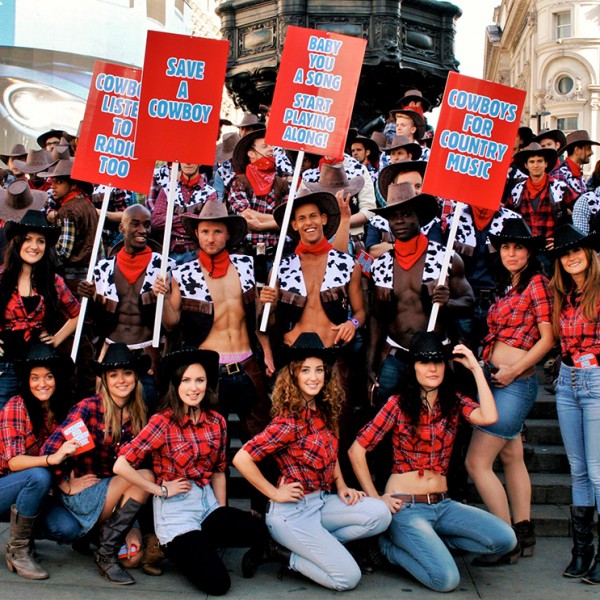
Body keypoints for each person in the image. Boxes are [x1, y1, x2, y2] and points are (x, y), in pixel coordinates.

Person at [348, 332, 517, 593]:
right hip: (407, 507)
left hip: (444, 505)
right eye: (424, 362)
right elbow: (356, 450)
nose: (432, 368)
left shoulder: (453, 402)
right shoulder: (397, 404)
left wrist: (475, 368)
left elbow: (489, 417)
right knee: (446, 580)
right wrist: (376, 499)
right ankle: (387, 549)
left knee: (506, 539)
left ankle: (435, 545)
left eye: (438, 361)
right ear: (413, 367)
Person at [233, 333, 391, 591]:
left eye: (319, 370)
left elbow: (332, 451)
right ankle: (281, 553)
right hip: (291, 514)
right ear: (294, 375)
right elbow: (242, 458)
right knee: (347, 578)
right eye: (305, 370)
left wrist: (341, 486)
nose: (313, 377)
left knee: (380, 514)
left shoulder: (325, 411)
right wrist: (274, 492)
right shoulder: (288, 421)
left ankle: (321, 546)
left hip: (321, 503)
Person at [113, 348, 271, 596]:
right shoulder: (163, 422)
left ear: (208, 384)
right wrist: (160, 490)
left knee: (260, 529)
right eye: (186, 380)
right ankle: (168, 546)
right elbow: (121, 465)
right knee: (218, 584)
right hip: (176, 514)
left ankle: (202, 543)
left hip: (207, 505)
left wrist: (221, 512)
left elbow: (218, 471)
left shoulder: (216, 421)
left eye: (200, 380)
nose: (193, 388)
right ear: (175, 385)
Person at [465, 219, 555, 563]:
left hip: (515, 383)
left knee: (476, 462)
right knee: (511, 456)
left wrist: (514, 370)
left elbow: (548, 338)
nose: (511, 253)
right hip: (496, 381)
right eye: (505, 247)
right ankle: (523, 530)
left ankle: (505, 542)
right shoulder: (508, 286)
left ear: (530, 252)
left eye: (518, 247)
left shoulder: (536, 284)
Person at [42, 343, 154, 585]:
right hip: (85, 493)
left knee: (133, 559)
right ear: (105, 379)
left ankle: (99, 539)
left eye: (127, 373)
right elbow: (50, 451)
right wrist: (64, 485)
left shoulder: (139, 412)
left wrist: (133, 526)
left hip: (119, 497)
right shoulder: (89, 408)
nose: (121, 380)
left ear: (136, 377)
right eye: (113, 375)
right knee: (145, 476)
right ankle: (105, 555)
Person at [78, 204, 172, 408]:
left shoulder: (164, 267)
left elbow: (172, 322)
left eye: (147, 225)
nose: (142, 230)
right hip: (112, 356)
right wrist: (90, 296)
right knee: (111, 418)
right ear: (121, 227)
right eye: (135, 224)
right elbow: (96, 320)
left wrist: (164, 294)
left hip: (147, 357)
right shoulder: (103, 268)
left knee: (148, 415)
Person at [0, 344, 81, 580]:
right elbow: (13, 462)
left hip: (34, 493)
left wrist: (68, 484)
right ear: (27, 381)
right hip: (5, 486)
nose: (41, 383)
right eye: (34, 377)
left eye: (48, 376)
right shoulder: (16, 406)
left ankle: (25, 535)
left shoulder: (63, 409)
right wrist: (50, 459)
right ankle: (18, 551)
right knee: (38, 475)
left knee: (68, 529)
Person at [548, 223, 600, 583]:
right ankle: (582, 551)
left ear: (589, 253)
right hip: (567, 381)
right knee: (578, 470)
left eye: (576, 250)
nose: (570, 257)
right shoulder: (563, 296)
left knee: (597, 471)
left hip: (596, 379)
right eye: (564, 254)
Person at [0, 210, 80, 409]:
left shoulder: (53, 281)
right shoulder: (2, 277)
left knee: (38, 415)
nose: (34, 246)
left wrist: (56, 339)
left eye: (41, 241)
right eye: (28, 239)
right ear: (18, 242)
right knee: (5, 415)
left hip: (38, 364)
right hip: (6, 364)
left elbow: (78, 314)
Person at [151, 162, 218, 264]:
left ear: (200, 162)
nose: (188, 162)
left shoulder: (210, 192)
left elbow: (207, 224)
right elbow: (156, 221)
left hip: (197, 254)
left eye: (193, 159)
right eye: (184, 159)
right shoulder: (168, 189)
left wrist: (172, 219)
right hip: (169, 253)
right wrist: (188, 217)